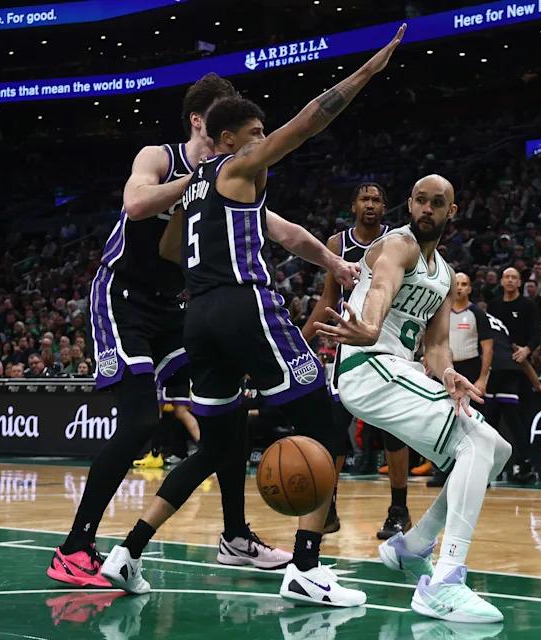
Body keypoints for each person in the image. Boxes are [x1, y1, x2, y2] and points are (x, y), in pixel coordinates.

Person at [100, 26, 406, 608]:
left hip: (199, 321)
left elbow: (168, 250)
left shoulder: (193, 191)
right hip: (246, 306)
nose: (264, 141)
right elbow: (310, 121)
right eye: (255, 134)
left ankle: (127, 551)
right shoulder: (236, 166)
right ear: (225, 139)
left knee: (216, 449)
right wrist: (368, 71)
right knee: (327, 424)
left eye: (263, 133)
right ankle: (307, 569)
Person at [48, 73, 288, 590]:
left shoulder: (230, 177)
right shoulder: (160, 157)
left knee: (230, 416)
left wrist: (332, 260)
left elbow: (274, 226)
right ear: (201, 120)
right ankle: (74, 548)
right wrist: (196, 182)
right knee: (138, 424)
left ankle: (235, 537)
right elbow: (135, 205)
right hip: (124, 298)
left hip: (179, 308)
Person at [317, 174, 511, 623]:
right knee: (475, 445)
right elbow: (382, 288)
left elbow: (437, 343)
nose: (427, 209)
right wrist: (368, 324)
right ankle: (443, 583)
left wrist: (447, 373)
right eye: (420, 201)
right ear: (409, 205)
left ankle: (413, 546)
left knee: (496, 451)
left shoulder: (444, 273)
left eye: (437, 203)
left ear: (451, 212)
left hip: (399, 369)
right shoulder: (397, 246)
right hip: (368, 366)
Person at [301, 182, 412, 540]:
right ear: (353, 206)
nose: (370, 204)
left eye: (377, 199)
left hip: (388, 342)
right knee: (333, 430)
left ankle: (399, 510)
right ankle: (327, 507)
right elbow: (327, 300)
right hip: (349, 348)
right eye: (364, 198)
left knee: (392, 432)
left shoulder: (397, 242)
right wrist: (301, 342)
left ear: (385, 208)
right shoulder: (338, 244)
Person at [423, 271, 496, 488]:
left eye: (465, 284)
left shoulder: (477, 314)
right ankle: (442, 470)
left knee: (470, 421)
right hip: (444, 369)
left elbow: (488, 348)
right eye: (458, 283)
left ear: (470, 289)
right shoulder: (440, 312)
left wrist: (483, 378)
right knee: (440, 419)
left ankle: (478, 472)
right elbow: (432, 342)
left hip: (470, 369)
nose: (460, 287)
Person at [486, 267, 540, 483]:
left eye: (514, 278)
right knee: (492, 417)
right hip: (497, 367)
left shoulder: (528, 305)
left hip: (521, 367)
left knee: (518, 418)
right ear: (501, 281)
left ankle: (524, 463)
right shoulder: (494, 305)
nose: (509, 280)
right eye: (506, 277)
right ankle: (490, 465)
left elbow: (536, 333)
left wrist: (526, 349)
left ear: (520, 283)